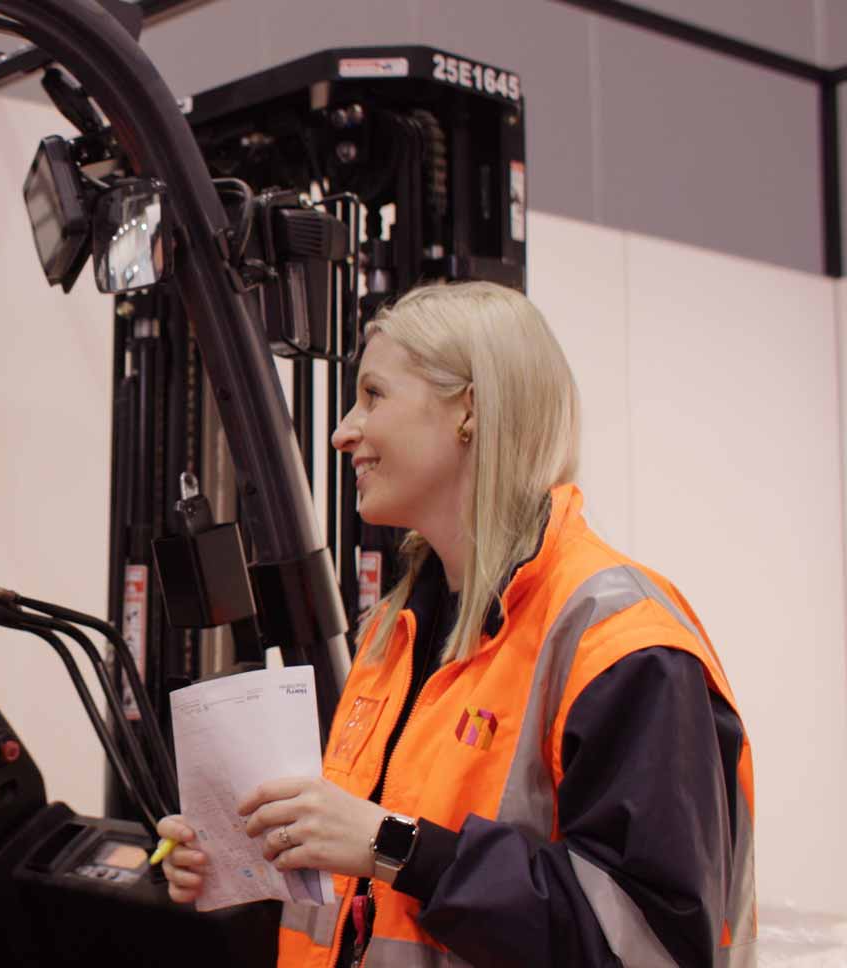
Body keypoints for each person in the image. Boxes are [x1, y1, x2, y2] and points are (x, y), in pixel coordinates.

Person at [156, 281, 755, 967]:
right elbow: (372, 908)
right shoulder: (393, 633)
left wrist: (395, 845)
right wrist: (251, 867)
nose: (342, 430)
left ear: (468, 409)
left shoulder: (618, 640)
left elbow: (649, 943)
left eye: (374, 395)